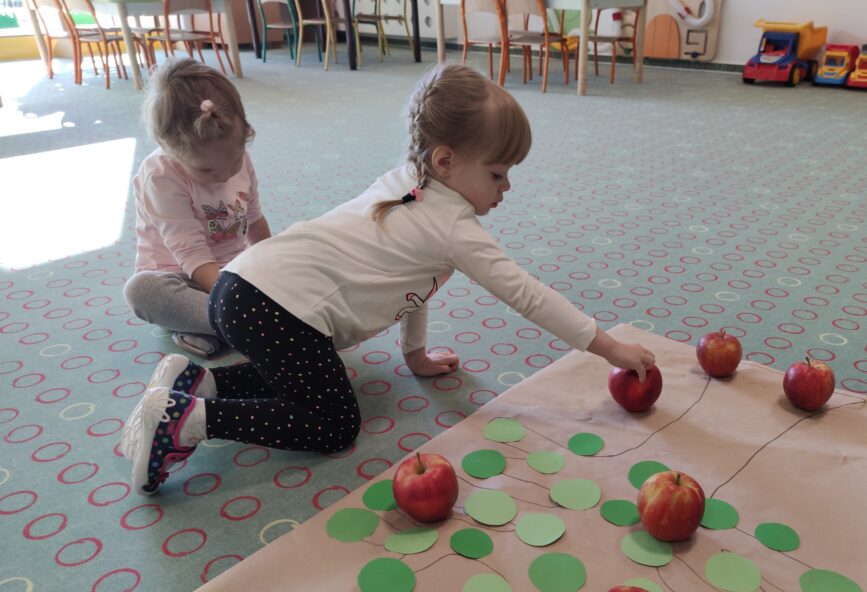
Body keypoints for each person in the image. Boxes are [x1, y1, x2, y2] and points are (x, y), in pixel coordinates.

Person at [119, 63, 655, 496]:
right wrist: (609, 348)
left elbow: (414, 280)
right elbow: (528, 296)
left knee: (305, 372)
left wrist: (415, 354)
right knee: (333, 423)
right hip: (273, 307)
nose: (506, 187)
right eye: (497, 173)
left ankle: (200, 380)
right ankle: (191, 418)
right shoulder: (454, 227)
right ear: (446, 160)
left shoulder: (406, 181)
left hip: (243, 288)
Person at [122, 57, 270, 358]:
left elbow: (254, 220)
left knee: (297, 250)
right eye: (206, 171)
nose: (224, 176)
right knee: (141, 291)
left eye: (234, 162)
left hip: (232, 270)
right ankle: (243, 322)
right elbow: (191, 252)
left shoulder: (235, 152)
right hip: (179, 276)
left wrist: (274, 266)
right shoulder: (160, 175)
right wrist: (233, 300)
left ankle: (215, 327)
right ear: (170, 148)